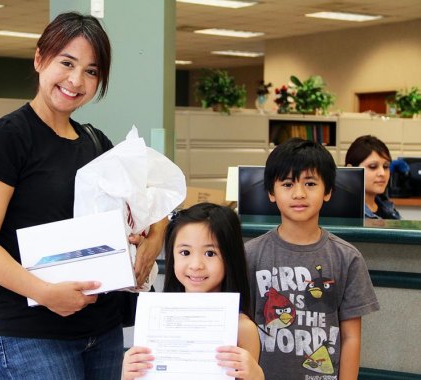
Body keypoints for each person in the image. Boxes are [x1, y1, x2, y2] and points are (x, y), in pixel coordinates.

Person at [0, 12, 166, 380]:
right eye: (66, 63)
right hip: (32, 334)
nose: (76, 80)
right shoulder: (7, 137)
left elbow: (147, 204)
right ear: (40, 59)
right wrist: (45, 291)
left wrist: (149, 239)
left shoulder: (94, 141)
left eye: (91, 71)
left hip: (102, 330)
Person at [245, 138, 380, 379]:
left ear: (327, 192)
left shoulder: (347, 258)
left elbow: (351, 338)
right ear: (271, 193)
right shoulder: (251, 255)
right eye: (287, 184)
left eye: (310, 183)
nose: (299, 193)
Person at [122, 203, 264, 380]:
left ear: (230, 256)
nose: (196, 265)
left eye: (210, 253)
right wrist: (128, 374)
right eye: (185, 252)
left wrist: (256, 375)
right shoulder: (156, 321)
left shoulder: (242, 328)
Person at [345, 135, 401, 219]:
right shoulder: (346, 215)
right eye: (373, 166)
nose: (382, 173)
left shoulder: (389, 208)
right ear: (351, 170)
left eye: (386, 166)